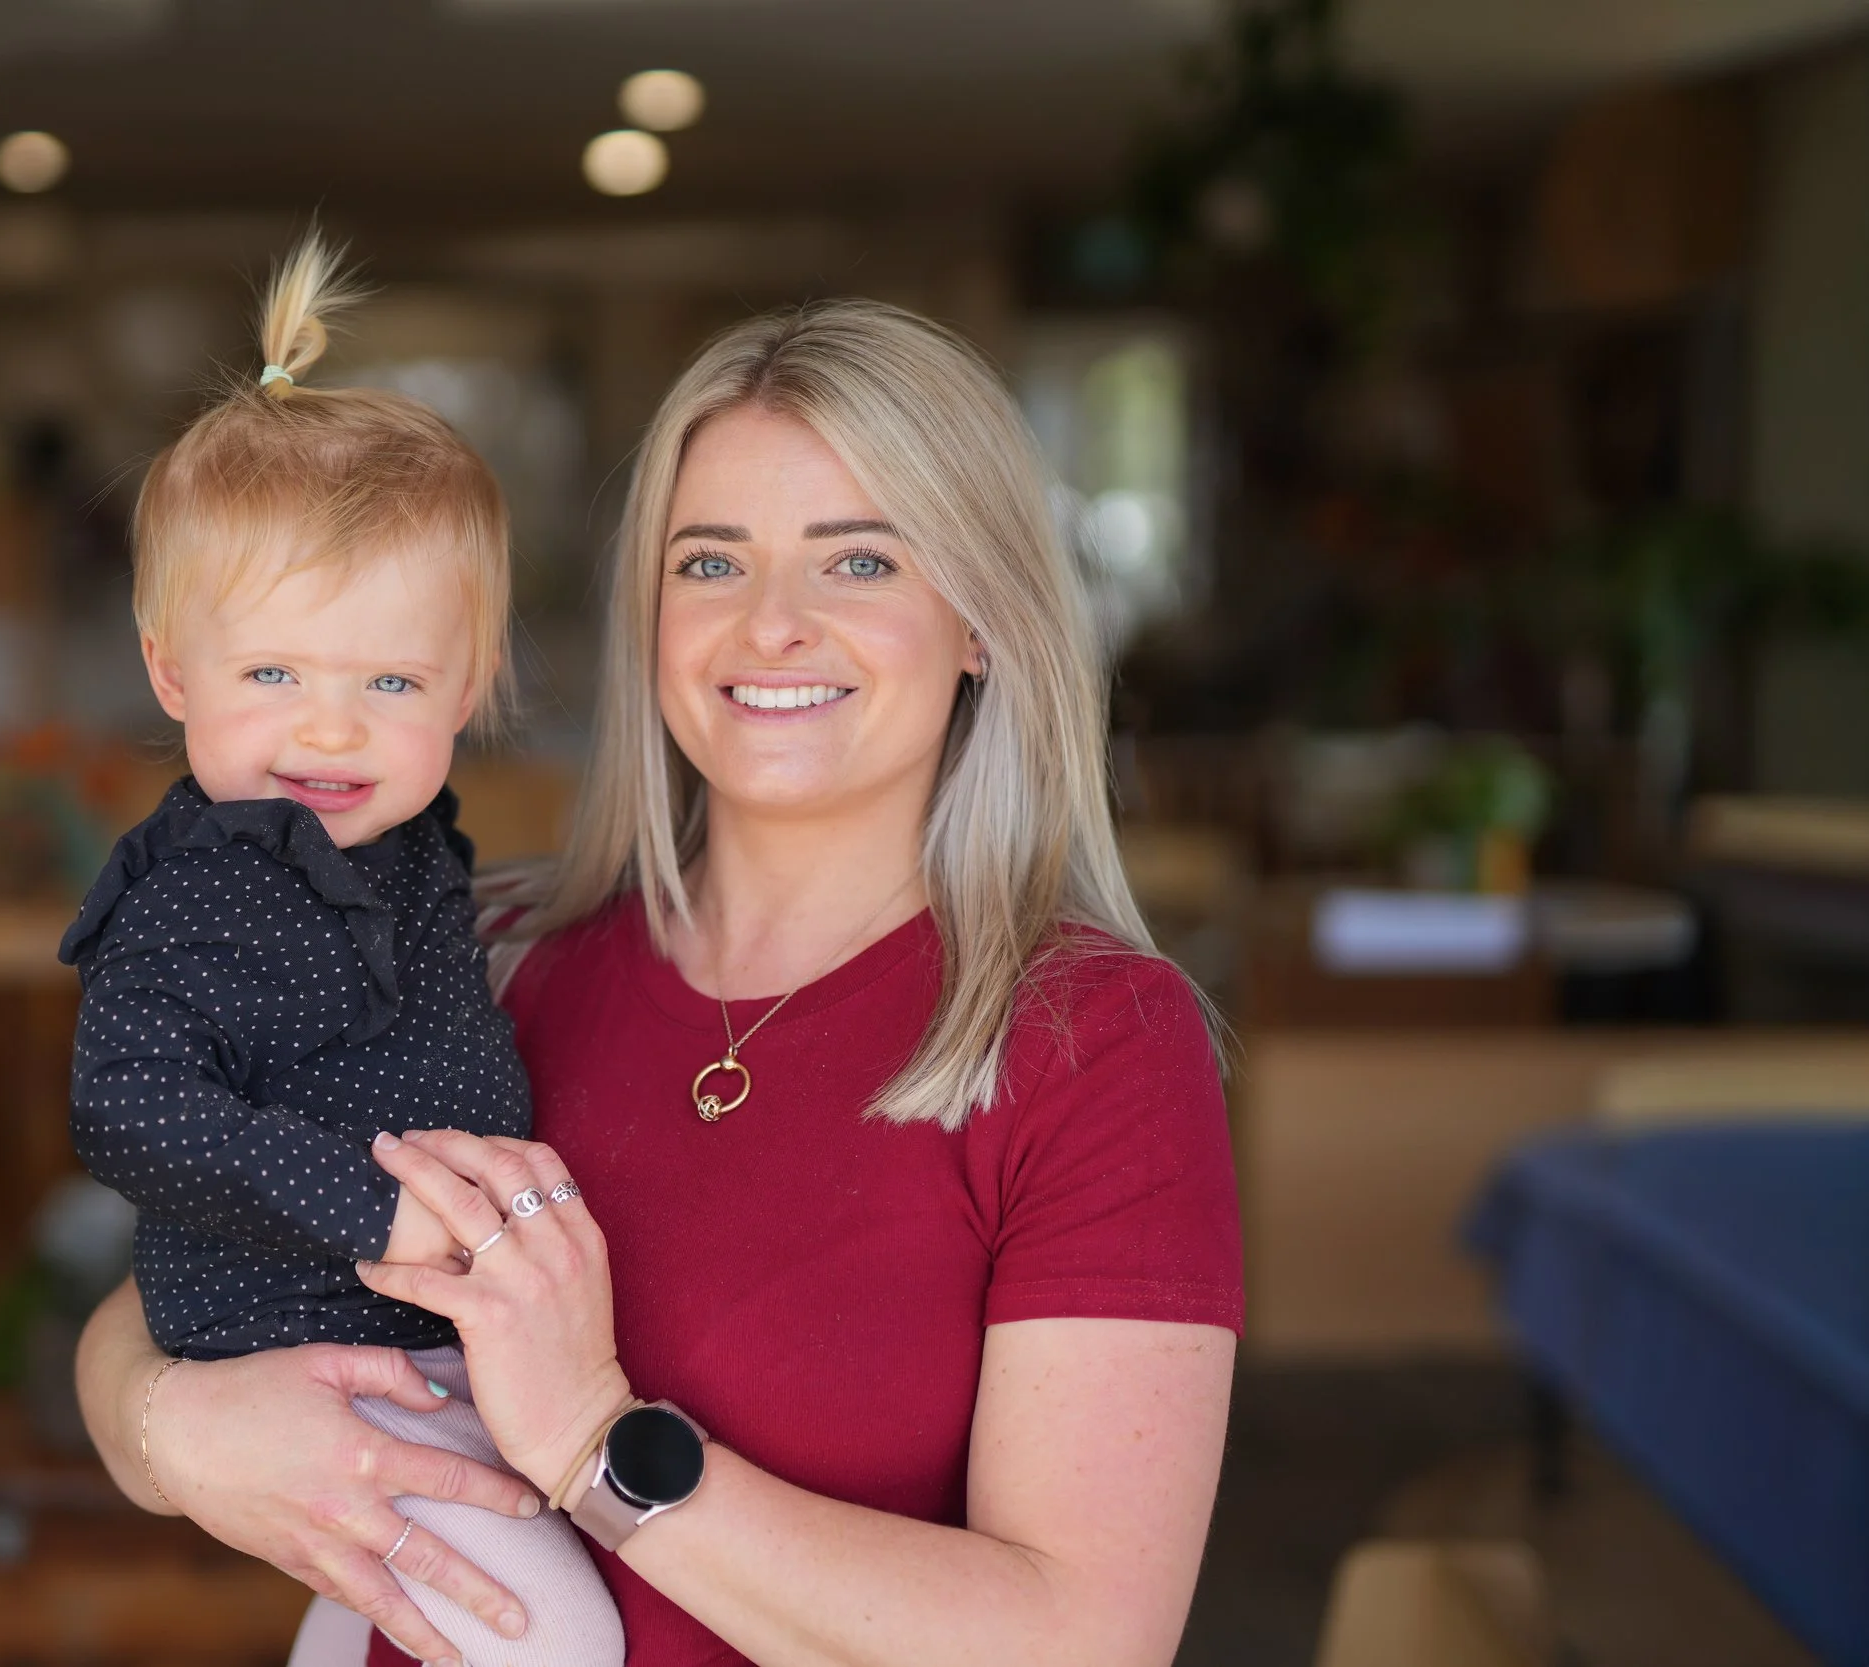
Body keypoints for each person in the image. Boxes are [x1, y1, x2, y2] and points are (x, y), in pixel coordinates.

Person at [77, 292, 1243, 1667]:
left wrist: (594, 1441)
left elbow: (1083, 1645)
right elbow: (155, 1295)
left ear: (981, 618)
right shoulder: (483, 948)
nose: (771, 625)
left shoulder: (1093, 1040)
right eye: (711, 562)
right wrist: (177, 1428)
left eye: (858, 563)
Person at [60, 236, 621, 1667]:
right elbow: (128, 1106)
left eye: (389, 680)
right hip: (306, 1335)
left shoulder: (421, 850)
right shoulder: (198, 889)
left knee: (387, 1604)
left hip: (430, 1330)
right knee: (543, 1636)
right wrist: (376, 1214)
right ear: (170, 668)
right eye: (271, 676)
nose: (328, 729)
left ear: (471, 685)